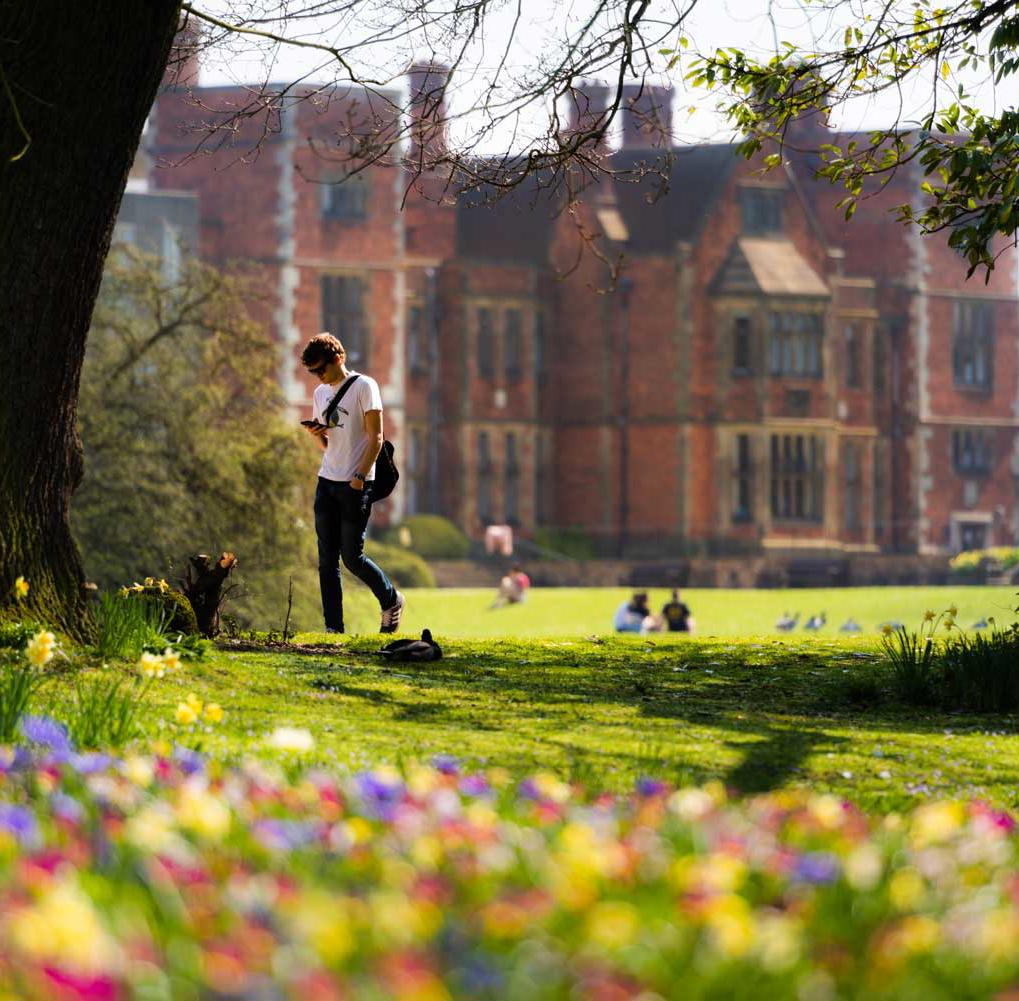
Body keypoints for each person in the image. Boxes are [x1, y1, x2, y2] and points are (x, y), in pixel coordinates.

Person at [301, 333, 405, 634]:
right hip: (326, 481)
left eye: (321, 369)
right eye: (313, 372)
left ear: (338, 359)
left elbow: (376, 437)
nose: (318, 377)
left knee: (352, 558)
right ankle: (334, 629)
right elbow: (330, 441)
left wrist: (359, 478)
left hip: (356, 483)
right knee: (326, 561)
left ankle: (391, 599)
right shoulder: (321, 393)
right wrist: (318, 434)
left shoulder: (365, 386)